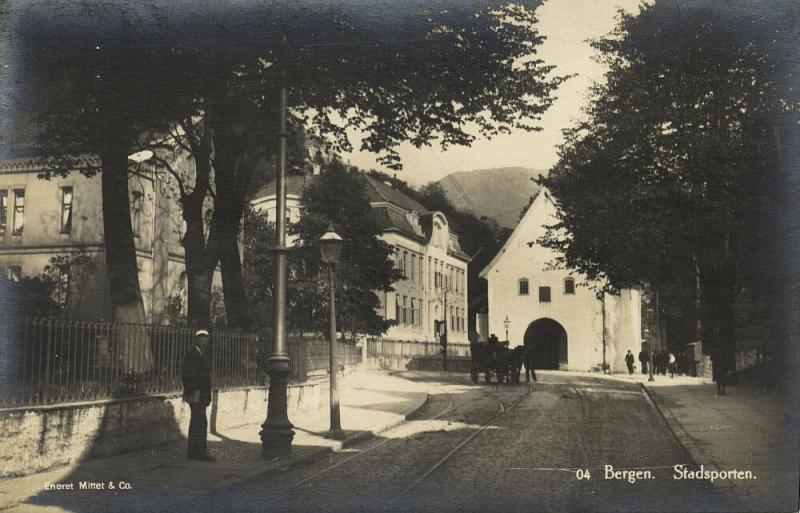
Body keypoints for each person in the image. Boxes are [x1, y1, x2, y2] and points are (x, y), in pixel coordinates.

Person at [182, 329, 215, 461]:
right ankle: (197, 452)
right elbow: (186, 375)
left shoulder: (204, 354)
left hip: (203, 394)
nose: (203, 341)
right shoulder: (191, 354)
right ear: (196, 340)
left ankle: (196, 451)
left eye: (205, 339)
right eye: (201, 339)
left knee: (200, 422)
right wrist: (191, 392)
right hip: (196, 393)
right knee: (198, 421)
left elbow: (207, 377)